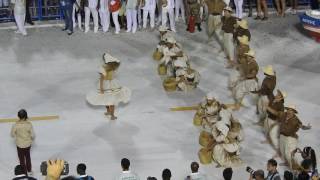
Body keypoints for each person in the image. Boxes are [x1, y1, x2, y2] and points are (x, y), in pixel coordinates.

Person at [86, 53, 131, 120]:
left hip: (112, 84)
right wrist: (101, 88)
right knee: (106, 99)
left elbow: (117, 62)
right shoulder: (104, 68)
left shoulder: (111, 68)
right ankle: (109, 112)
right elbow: (101, 79)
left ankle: (112, 114)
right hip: (107, 85)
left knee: (111, 100)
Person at [266, 104, 312, 168]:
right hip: (282, 136)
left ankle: (293, 167)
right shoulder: (283, 115)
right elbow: (275, 112)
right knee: (283, 151)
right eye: (288, 110)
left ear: (293, 112)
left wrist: (307, 127)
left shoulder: (296, 120)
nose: (289, 111)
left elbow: (302, 126)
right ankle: (287, 163)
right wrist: (267, 107)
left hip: (290, 138)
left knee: (289, 154)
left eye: (291, 110)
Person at [11, 109, 35, 176]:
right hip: (27, 145)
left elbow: (12, 135)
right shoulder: (29, 124)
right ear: (26, 116)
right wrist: (30, 139)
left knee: (21, 159)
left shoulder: (15, 125)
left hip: (19, 145)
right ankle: (29, 171)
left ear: (18, 116)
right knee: (28, 157)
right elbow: (33, 135)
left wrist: (17, 135)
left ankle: (24, 173)